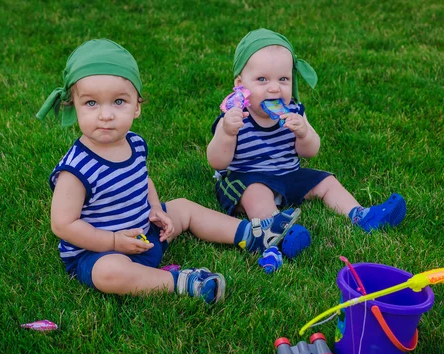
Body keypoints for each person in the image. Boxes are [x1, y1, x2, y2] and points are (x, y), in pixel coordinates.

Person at [36, 39, 301, 304]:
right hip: (99, 252)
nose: (106, 115)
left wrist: (156, 208)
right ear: (74, 105)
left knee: (183, 207)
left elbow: (142, 179)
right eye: (91, 103)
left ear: (137, 106)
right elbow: (63, 224)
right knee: (109, 273)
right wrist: (114, 242)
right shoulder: (76, 169)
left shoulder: (134, 142)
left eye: (118, 101)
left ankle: (252, 234)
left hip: (145, 232)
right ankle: (181, 282)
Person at [206, 29, 406, 245]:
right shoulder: (234, 117)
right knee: (256, 194)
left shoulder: (294, 111)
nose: (274, 88)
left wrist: (304, 133)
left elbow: (310, 151)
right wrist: (227, 133)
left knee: (327, 181)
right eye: (262, 79)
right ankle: (278, 233)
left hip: (289, 174)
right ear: (240, 85)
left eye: (283, 79)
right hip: (249, 177)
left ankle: (360, 214)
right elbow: (217, 161)